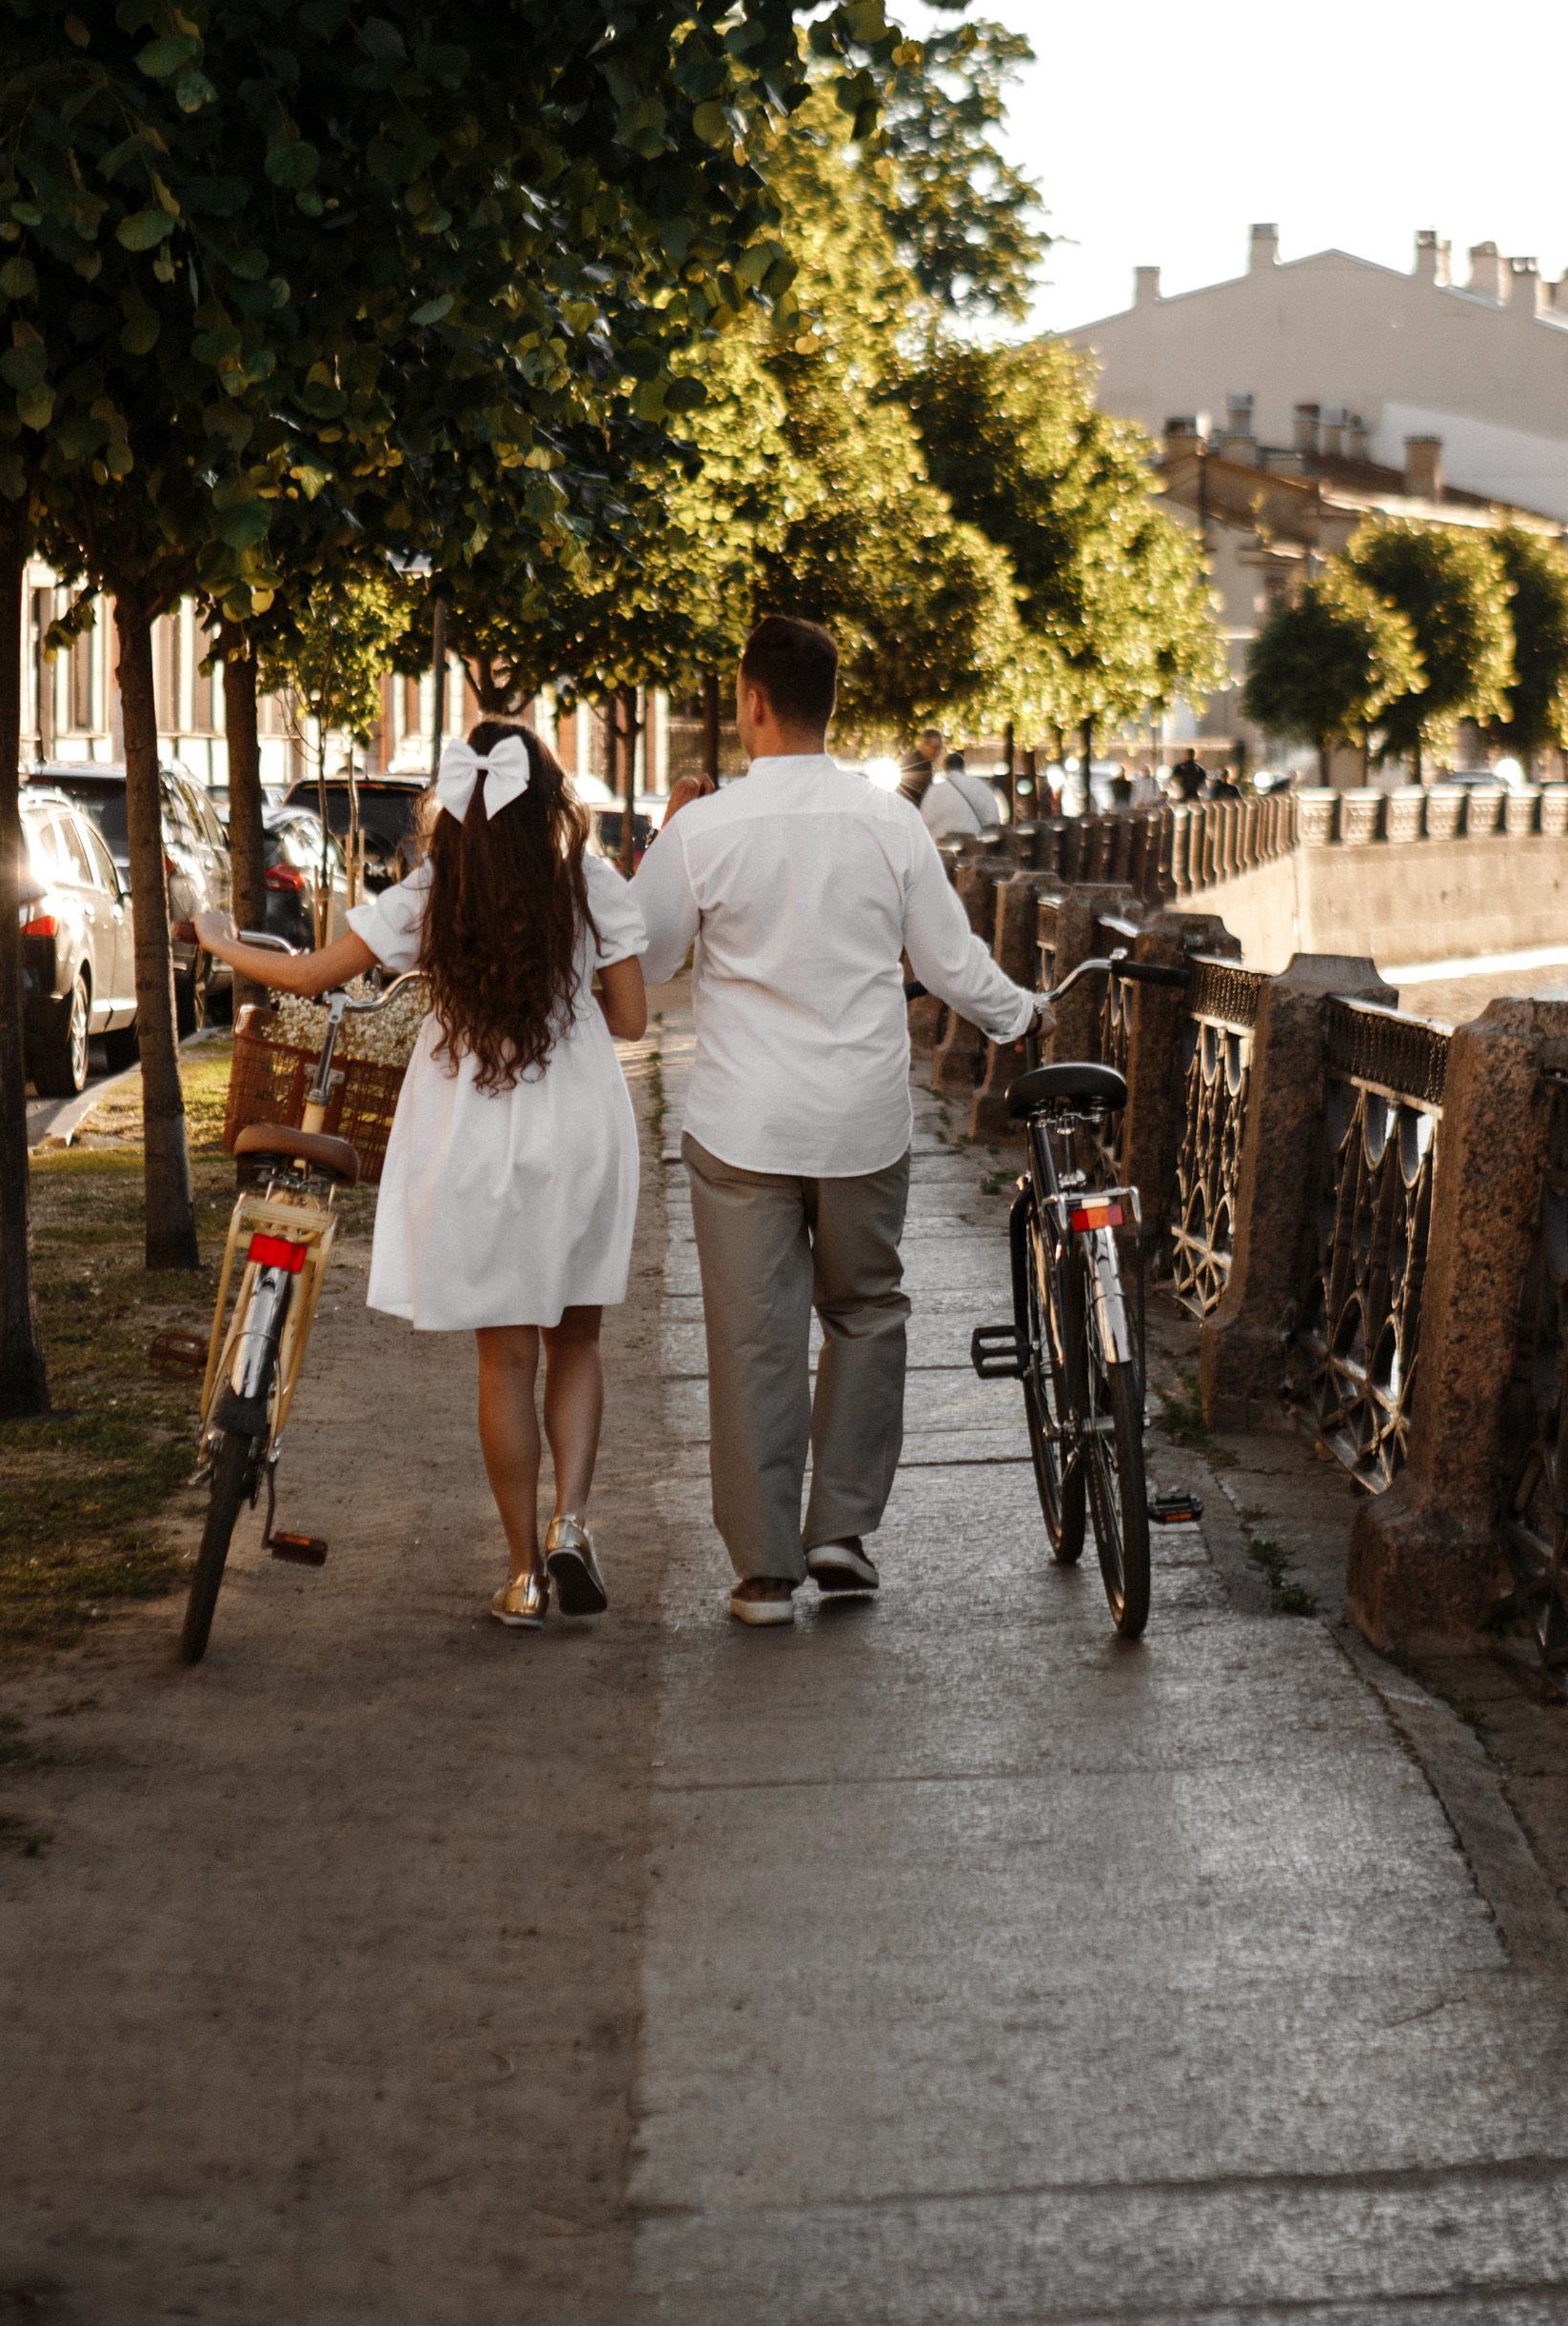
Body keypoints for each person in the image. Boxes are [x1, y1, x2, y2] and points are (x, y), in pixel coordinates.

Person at [190, 721, 648, 1631]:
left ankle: (522, 1575)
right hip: (579, 1125)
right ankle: (572, 1522)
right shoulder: (587, 881)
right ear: (549, 794)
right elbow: (632, 1018)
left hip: (475, 1132)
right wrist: (561, 977)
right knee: (578, 1341)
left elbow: (316, 973)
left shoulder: (435, 890)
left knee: (505, 1360)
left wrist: (216, 940)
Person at [637, 615, 1042, 1627]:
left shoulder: (705, 827)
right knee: (865, 1310)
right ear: (830, 707)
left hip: (742, 1126)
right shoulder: (888, 821)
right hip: (862, 1119)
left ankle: (766, 1573)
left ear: (752, 702)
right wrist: (1024, 1014)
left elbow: (638, 963)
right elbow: (951, 965)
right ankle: (841, 1533)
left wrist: (665, 832)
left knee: (752, 1337)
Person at [917, 746, 983, 847]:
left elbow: (925, 820)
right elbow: (988, 819)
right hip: (972, 848)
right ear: (963, 767)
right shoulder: (978, 789)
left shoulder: (935, 791)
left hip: (943, 849)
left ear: (945, 769)